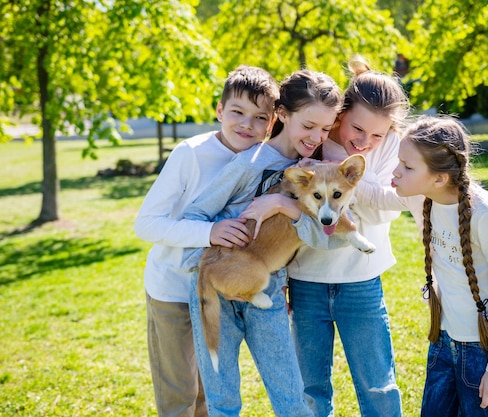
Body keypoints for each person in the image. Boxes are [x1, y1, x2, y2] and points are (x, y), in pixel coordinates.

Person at [241, 56, 411, 417]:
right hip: (307, 281)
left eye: (376, 135)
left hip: (361, 281)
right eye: (356, 130)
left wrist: (337, 171)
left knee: (378, 385)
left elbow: (387, 208)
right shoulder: (311, 141)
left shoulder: (390, 146)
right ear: (340, 117)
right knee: (311, 389)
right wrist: (336, 171)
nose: (365, 142)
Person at [182, 69, 343, 417]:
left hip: (268, 289)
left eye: (326, 129)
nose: (317, 136)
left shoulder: (314, 173)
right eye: (308, 125)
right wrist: (214, 241)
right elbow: (195, 215)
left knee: (290, 396)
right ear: (282, 115)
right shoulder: (248, 163)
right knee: (222, 398)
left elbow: (323, 237)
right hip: (214, 282)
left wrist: (285, 205)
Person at [356, 114, 488, 417]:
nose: (395, 172)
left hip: (484, 349)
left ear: (439, 178)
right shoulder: (421, 196)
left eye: (407, 167)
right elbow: (373, 196)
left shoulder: (486, 215)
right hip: (443, 342)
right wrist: (327, 160)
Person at [134, 65, 279, 417]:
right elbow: (147, 224)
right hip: (172, 289)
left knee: (211, 390)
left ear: (273, 123)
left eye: (260, 117)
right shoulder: (191, 154)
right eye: (237, 112)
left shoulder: (263, 160)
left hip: (216, 292)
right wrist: (208, 232)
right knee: (179, 392)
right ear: (219, 110)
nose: (247, 124)